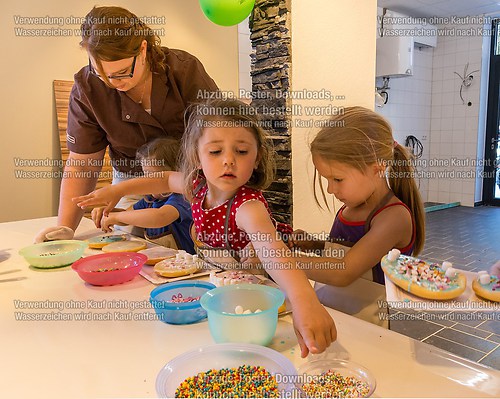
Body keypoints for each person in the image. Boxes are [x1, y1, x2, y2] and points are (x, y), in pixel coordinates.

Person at [74, 99, 336, 357]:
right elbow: (164, 178)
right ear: (196, 157)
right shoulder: (197, 186)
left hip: (269, 296)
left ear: (257, 159)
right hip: (226, 290)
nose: (228, 161)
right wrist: (116, 190)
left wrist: (305, 302)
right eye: (215, 151)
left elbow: (273, 252)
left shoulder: (248, 207)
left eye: (242, 152)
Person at [34, 6, 217, 243]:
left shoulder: (184, 70)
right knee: (130, 252)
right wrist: (65, 228)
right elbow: (81, 166)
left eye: (121, 73)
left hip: (191, 181)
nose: (112, 84)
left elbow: (218, 139)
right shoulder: (87, 89)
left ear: (143, 49)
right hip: (131, 185)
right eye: (101, 74)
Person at [290, 107, 425, 324]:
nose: (330, 190)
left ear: (377, 169)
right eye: (327, 180)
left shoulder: (393, 217)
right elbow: (348, 253)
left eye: (338, 180)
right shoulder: (350, 207)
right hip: (329, 311)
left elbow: (344, 271)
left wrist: (279, 261)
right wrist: (315, 245)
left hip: (366, 327)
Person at [91, 138, 195, 254]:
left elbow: (160, 216)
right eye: (145, 174)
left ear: (176, 171)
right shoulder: (150, 199)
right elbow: (130, 215)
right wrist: (108, 213)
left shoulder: (183, 198)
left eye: (153, 175)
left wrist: (116, 217)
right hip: (162, 260)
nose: (148, 180)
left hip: (188, 262)